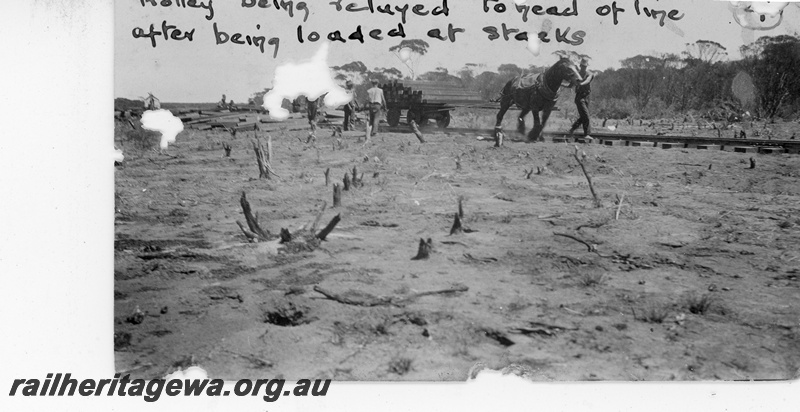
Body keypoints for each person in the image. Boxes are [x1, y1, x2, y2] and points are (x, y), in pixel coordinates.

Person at [569, 57, 594, 141]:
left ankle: (572, 129)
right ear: (580, 65)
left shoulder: (589, 74)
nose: (584, 67)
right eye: (582, 66)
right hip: (579, 97)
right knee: (586, 115)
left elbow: (587, 80)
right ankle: (587, 134)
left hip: (587, 97)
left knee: (583, 116)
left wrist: (581, 83)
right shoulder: (576, 74)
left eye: (585, 66)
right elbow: (570, 84)